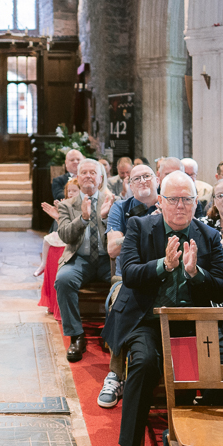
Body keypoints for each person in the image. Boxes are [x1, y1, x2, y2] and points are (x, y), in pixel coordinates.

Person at [103, 170, 223, 446]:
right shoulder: (139, 227)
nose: (181, 206)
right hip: (145, 319)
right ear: (160, 201)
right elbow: (130, 273)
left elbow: (222, 287)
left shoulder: (207, 235)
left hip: (190, 324)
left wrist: (195, 273)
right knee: (146, 364)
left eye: (188, 199)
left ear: (196, 202)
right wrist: (164, 265)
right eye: (173, 199)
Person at [96, 164, 159, 408]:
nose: (142, 181)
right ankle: (115, 374)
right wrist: (145, 228)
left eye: (147, 176)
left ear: (157, 179)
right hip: (127, 278)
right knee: (121, 298)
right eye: (136, 178)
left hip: (164, 273)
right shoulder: (121, 208)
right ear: (129, 185)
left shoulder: (168, 203)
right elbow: (113, 249)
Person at [56, 158, 115, 363]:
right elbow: (64, 236)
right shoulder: (67, 205)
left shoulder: (112, 201)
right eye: (84, 173)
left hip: (107, 259)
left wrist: (106, 218)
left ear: (100, 179)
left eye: (93, 172)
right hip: (79, 259)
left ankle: (113, 331)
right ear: (77, 178)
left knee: (126, 280)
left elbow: (120, 235)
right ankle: (76, 335)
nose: (88, 175)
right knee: (63, 280)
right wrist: (82, 218)